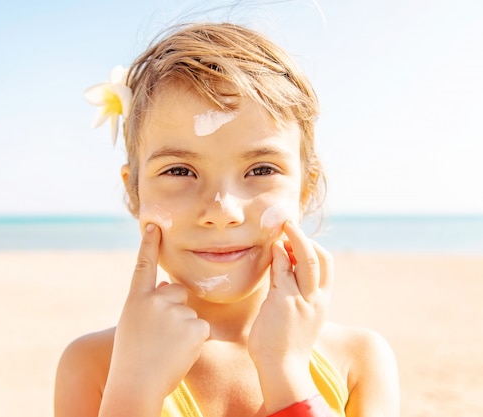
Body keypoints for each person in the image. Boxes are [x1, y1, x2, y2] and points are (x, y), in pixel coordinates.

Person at [54, 22, 399, 417]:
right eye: (180, 171)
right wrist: (133, 391)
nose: (222, 211)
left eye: (261, 169)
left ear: (305, 189)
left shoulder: (358, 363)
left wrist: (285, 370)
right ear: (135, 193)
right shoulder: (95, 366)